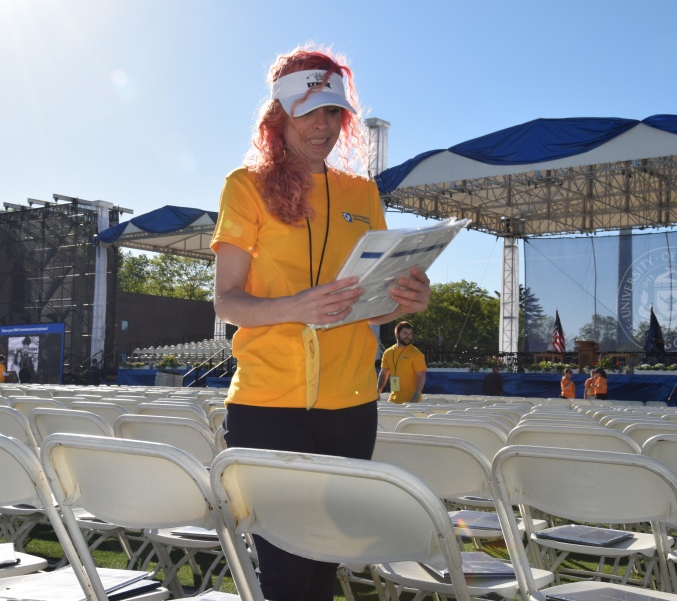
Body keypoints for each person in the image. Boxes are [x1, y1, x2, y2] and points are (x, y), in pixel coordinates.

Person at [210, 44, 431, 601]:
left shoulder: (363, 193)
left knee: (324, 570)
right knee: (286, 573)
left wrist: (405, 299)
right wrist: (296, 307)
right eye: (309, 111)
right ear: (279, 115)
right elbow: (227, 302)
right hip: (267, 406)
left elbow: (367, 304)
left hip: (351, 408)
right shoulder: (245, 186)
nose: (323, 125)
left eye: (333, 112)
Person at [378, 321, 427, 404]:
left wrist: (416, 396)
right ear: (397, 334)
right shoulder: (388, 352)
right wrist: (378, 392)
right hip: (393, 399)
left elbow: (421, 376)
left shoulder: (416, 354)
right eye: (405, 333)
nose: (408, 336)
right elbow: (384, 374)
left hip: (412, 401)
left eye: (410, 333)